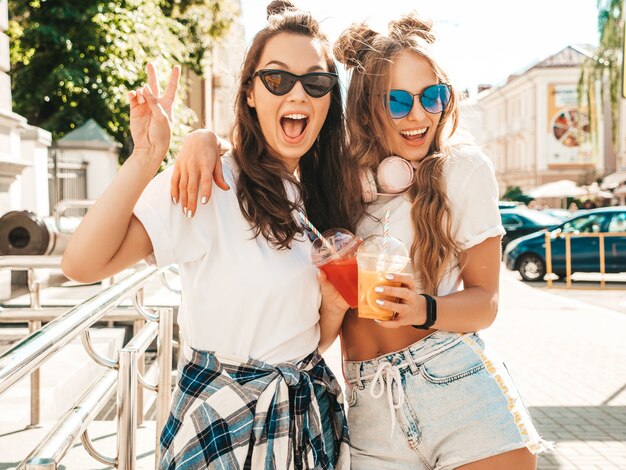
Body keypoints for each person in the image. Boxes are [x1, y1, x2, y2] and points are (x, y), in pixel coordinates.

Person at [171, 12, 552, 470]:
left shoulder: (462, 169)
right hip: (368, 407)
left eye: (433, 97)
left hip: (457, 386)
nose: (419, 116)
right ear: (368, 107)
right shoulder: (334, 179)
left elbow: (486, 304)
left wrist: (423, 309)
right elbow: (266, 147)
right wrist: (204, 139)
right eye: (397, 102)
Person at [61, 1, 360, 468]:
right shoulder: (211, 180)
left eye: (316, 82)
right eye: (277, 79)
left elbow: (296, 344)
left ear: (328, 100)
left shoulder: (313, 202)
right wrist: (147, 156)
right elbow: (82, 264)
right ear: (249, 94)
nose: (298, 94)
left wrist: (334, 308)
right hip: (220, 427)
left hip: (303, 423)